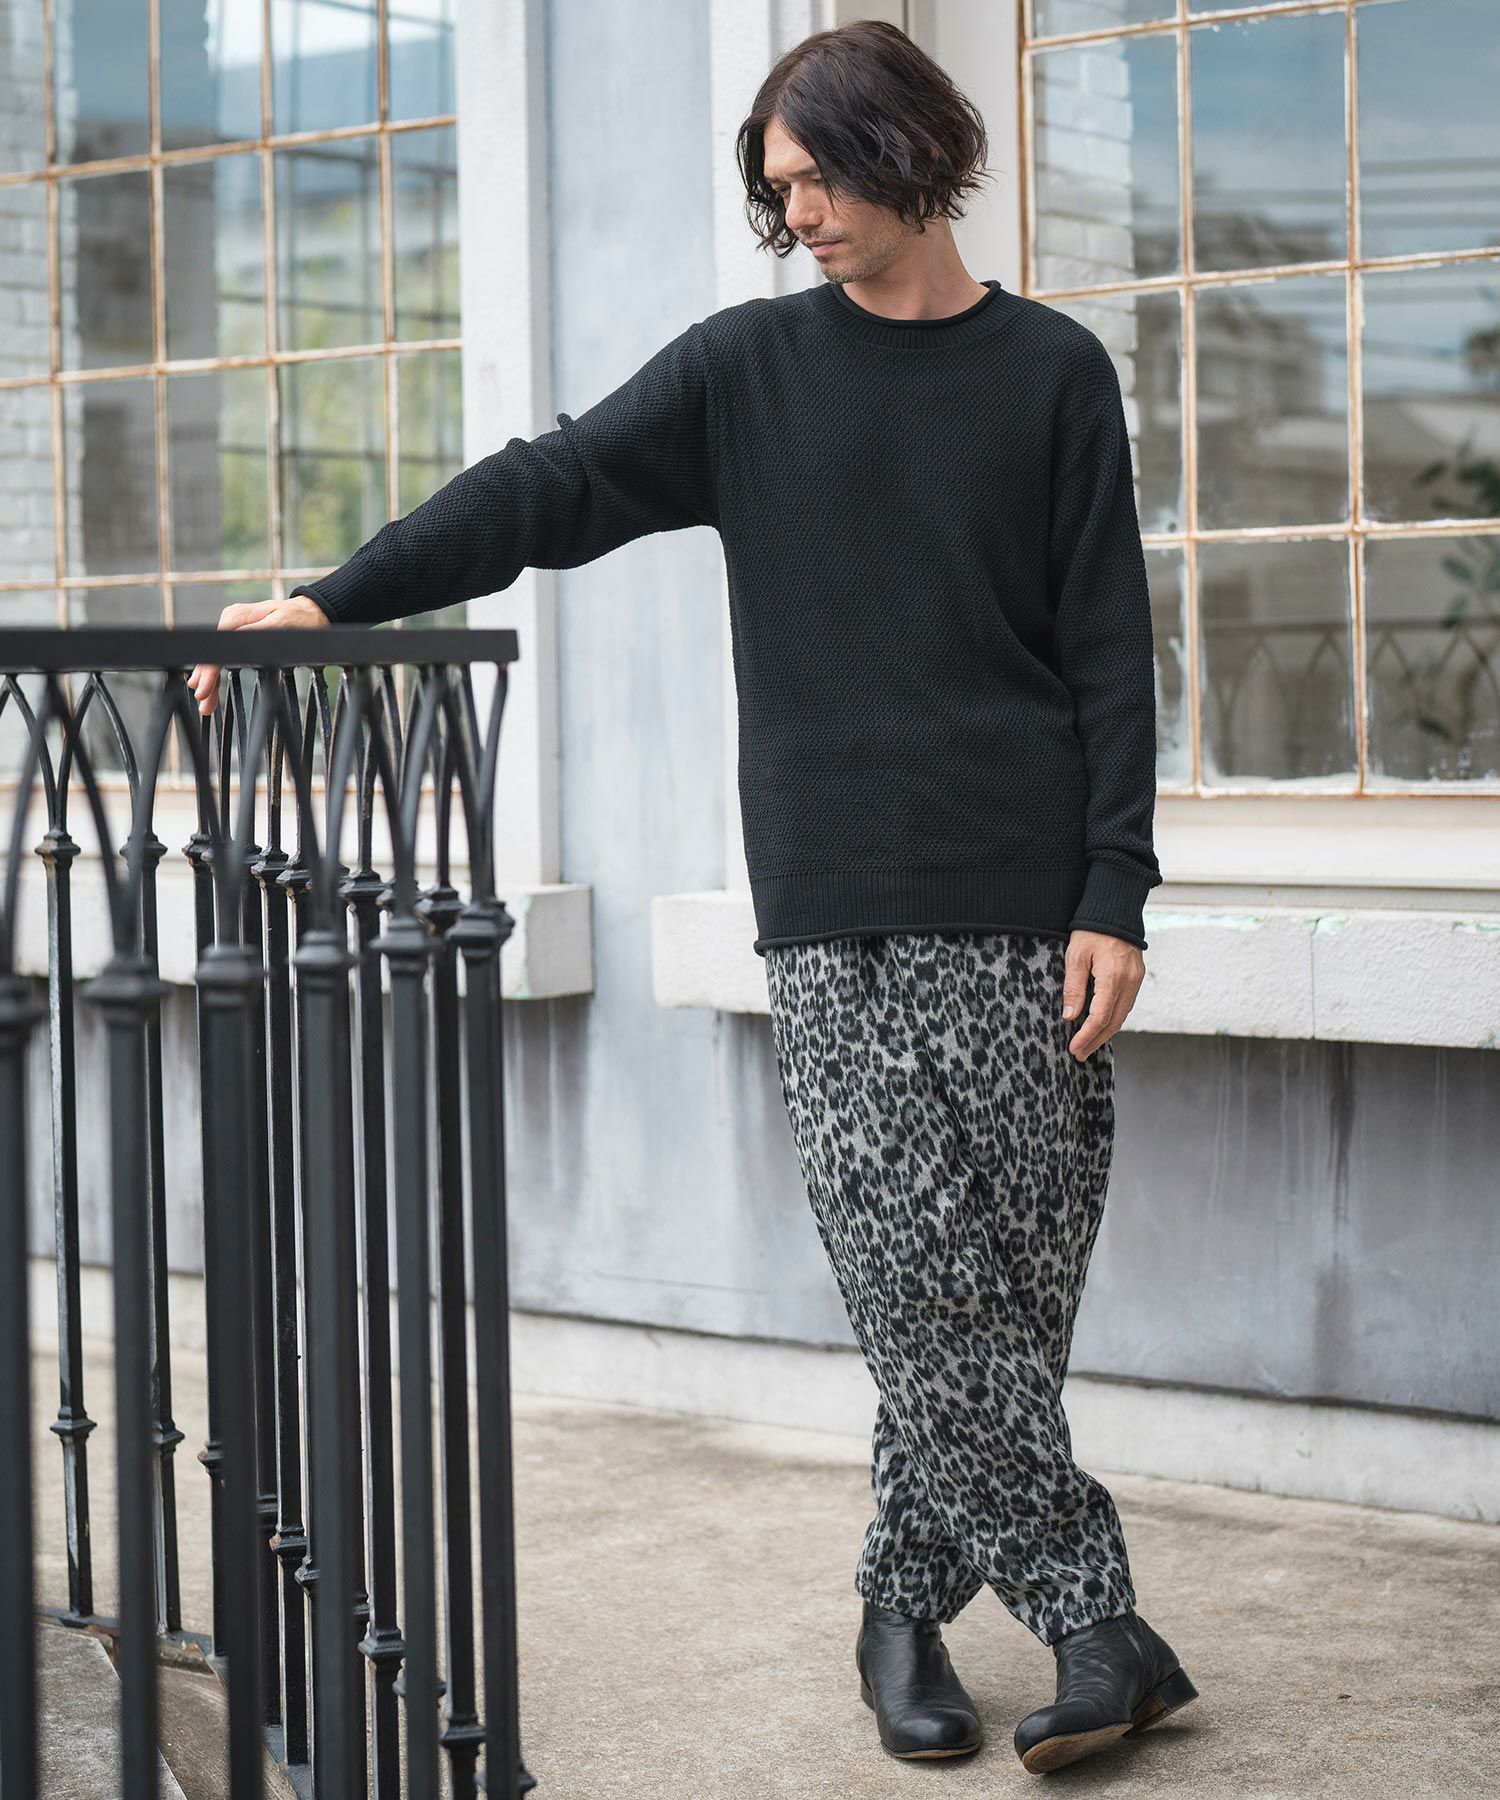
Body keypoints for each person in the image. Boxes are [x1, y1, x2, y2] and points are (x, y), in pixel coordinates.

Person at [188, 18, 1197, 1778]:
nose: (796, 212)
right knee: (915, 1282)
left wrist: (1117, 889)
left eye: (819, 175)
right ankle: (1101, 1624)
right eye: (777, 186)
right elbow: (547, 484)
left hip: (1031, 903)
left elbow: (1111, 651)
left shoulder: (1051, 372)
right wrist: (340, 599)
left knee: (1003, 1296)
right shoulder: (747, 371)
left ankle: (898, 1610)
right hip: (836, 899)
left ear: (910, 151)